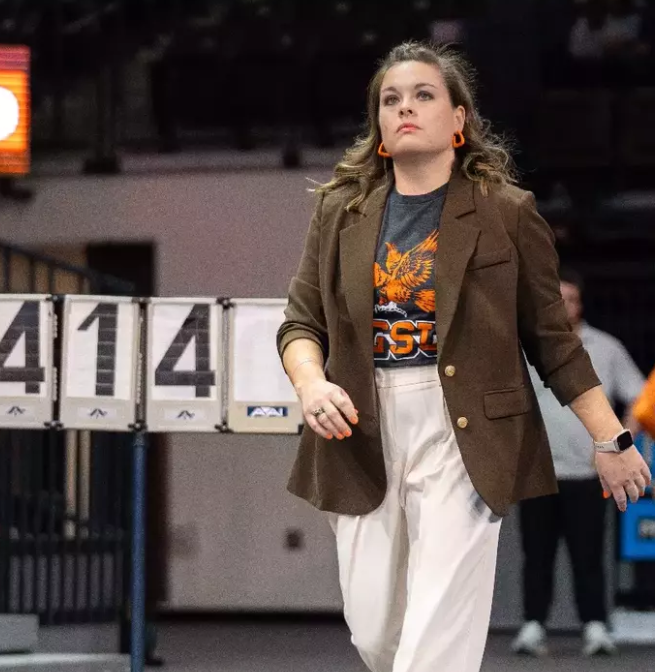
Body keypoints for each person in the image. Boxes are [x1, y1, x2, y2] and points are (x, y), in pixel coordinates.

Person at [276, 41, 650, 672]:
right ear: (380, 127)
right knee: (375, 634)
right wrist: (311, 384)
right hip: (359, 425)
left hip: (467, 428)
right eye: (390, 99)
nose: (405, 108)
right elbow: (300, 323)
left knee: (436, 627)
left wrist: (611, 441)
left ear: (459, 120)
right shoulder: (341, 211)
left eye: (424, 95)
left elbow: (554, 342)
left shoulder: (507, 212)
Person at [512, 267, 645, 657]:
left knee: (588, 555)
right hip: (538, 471)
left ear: (580, 304)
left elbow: (641, 399)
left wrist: (619, 445)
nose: (562, 306)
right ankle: (533, 625)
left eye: (569, 299)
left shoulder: (605, 347)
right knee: (535, 555)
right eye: (555, 299)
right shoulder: (525, 346)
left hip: (588, 471)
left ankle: (595, 627)